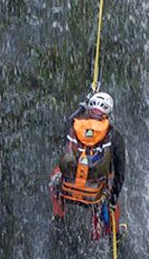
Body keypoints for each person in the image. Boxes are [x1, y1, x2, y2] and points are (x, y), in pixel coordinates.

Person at [49, 90, 126, 226]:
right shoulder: (114, 135)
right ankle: (111, 232)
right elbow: (120, 173)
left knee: (55, 175)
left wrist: (81, 106)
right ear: (108, 113)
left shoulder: (73, 126)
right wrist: (113, 200)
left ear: (89, 110)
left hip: (68, 190)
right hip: (94, 196)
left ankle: (59, 216)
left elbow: (66, 125)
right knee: (110, 182)